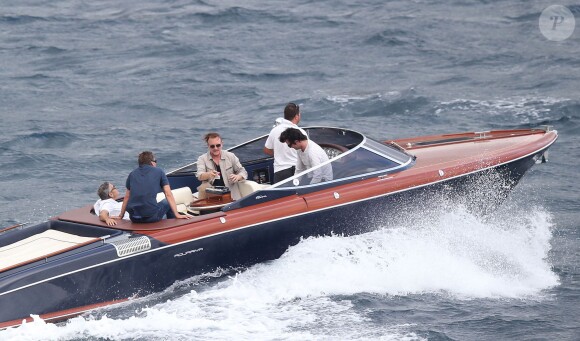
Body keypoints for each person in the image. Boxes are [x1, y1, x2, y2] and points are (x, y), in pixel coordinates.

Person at [118, 151, 191, 223]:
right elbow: (168, 194)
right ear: (152, 162)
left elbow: (127, 197)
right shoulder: (159, 172)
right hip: (151, 218)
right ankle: (174, 224)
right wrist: (177, 214)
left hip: (134, 218)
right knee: (166, 202)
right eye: (155, 161)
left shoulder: (132, 174)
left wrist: (121, 216)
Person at [263, 102, 308, 183]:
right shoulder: (301, 132)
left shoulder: (274, 131)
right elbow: (307, 152)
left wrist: (278, 153)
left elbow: (267, 150)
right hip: (297, 170)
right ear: (296, 116)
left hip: (279, 172)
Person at [197, 132, 248, 200]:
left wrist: (238, 176)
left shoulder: (230, 156)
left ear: (222, 144)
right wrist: (208, 174)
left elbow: (243, 172)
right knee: (203, 187)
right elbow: (199, 176)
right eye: (212, 146)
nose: (215, 148)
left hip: (231, 196)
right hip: (212, 197)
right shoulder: (202, 159)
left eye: (218, 145)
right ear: (208, 146)